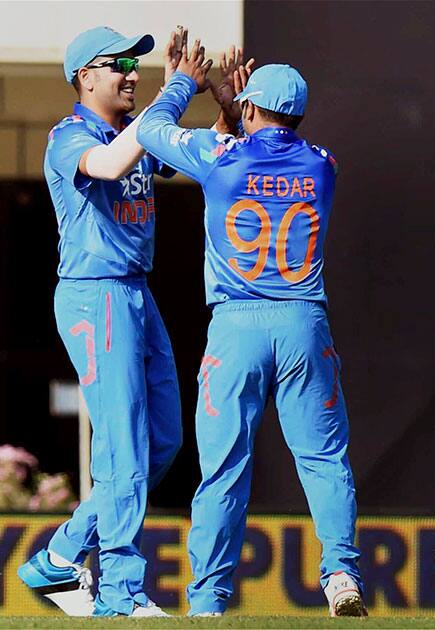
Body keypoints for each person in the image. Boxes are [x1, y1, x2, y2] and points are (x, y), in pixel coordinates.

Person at [135, 46, 366, 617]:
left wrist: (187, 85)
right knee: (323, 458)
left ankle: (209, 599)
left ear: (251, 104)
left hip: (236, 326)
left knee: (223, 469)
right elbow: (273, 148)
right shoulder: (323, 164)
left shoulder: (219, 154)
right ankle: (340, 574)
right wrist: (244, 110)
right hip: (303, 323)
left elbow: (151, 130)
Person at [16, 26, 190, 617]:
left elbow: (181, 150)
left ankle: (59, 556)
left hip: (136, 294)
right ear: (85, 76)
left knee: (161, 441)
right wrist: (177, 88)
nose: (133, 73)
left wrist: (219, 107)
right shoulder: (71, 139)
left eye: (137, 65)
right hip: (97, 296)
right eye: (119, 64)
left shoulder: (127, 131)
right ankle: (120, 593)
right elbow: (113, 165)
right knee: (124, 452)